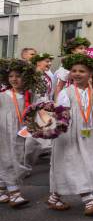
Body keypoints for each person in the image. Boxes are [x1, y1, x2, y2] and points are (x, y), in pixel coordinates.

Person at [47, 54, 93, 215]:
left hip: (88, 133)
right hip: (70, 134)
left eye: (82, 71)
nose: (77, 74)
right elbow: (60, 114)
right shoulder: (66, 92)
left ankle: (54, 198)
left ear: (90, 74)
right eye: (74, 70)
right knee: (76, 165)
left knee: (84, 164)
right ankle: (89, 202)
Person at [0, 59, 47, 208]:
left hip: (24, 131)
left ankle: (2, 186)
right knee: (7, 158)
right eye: (11, 76)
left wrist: (49, 122)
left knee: (21, 158)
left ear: (26, 77)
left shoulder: (31, 95)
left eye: (18, 76)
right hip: (4, 131)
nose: (14, 79)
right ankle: (14, 193)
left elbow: (41, 110)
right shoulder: (3, 95)